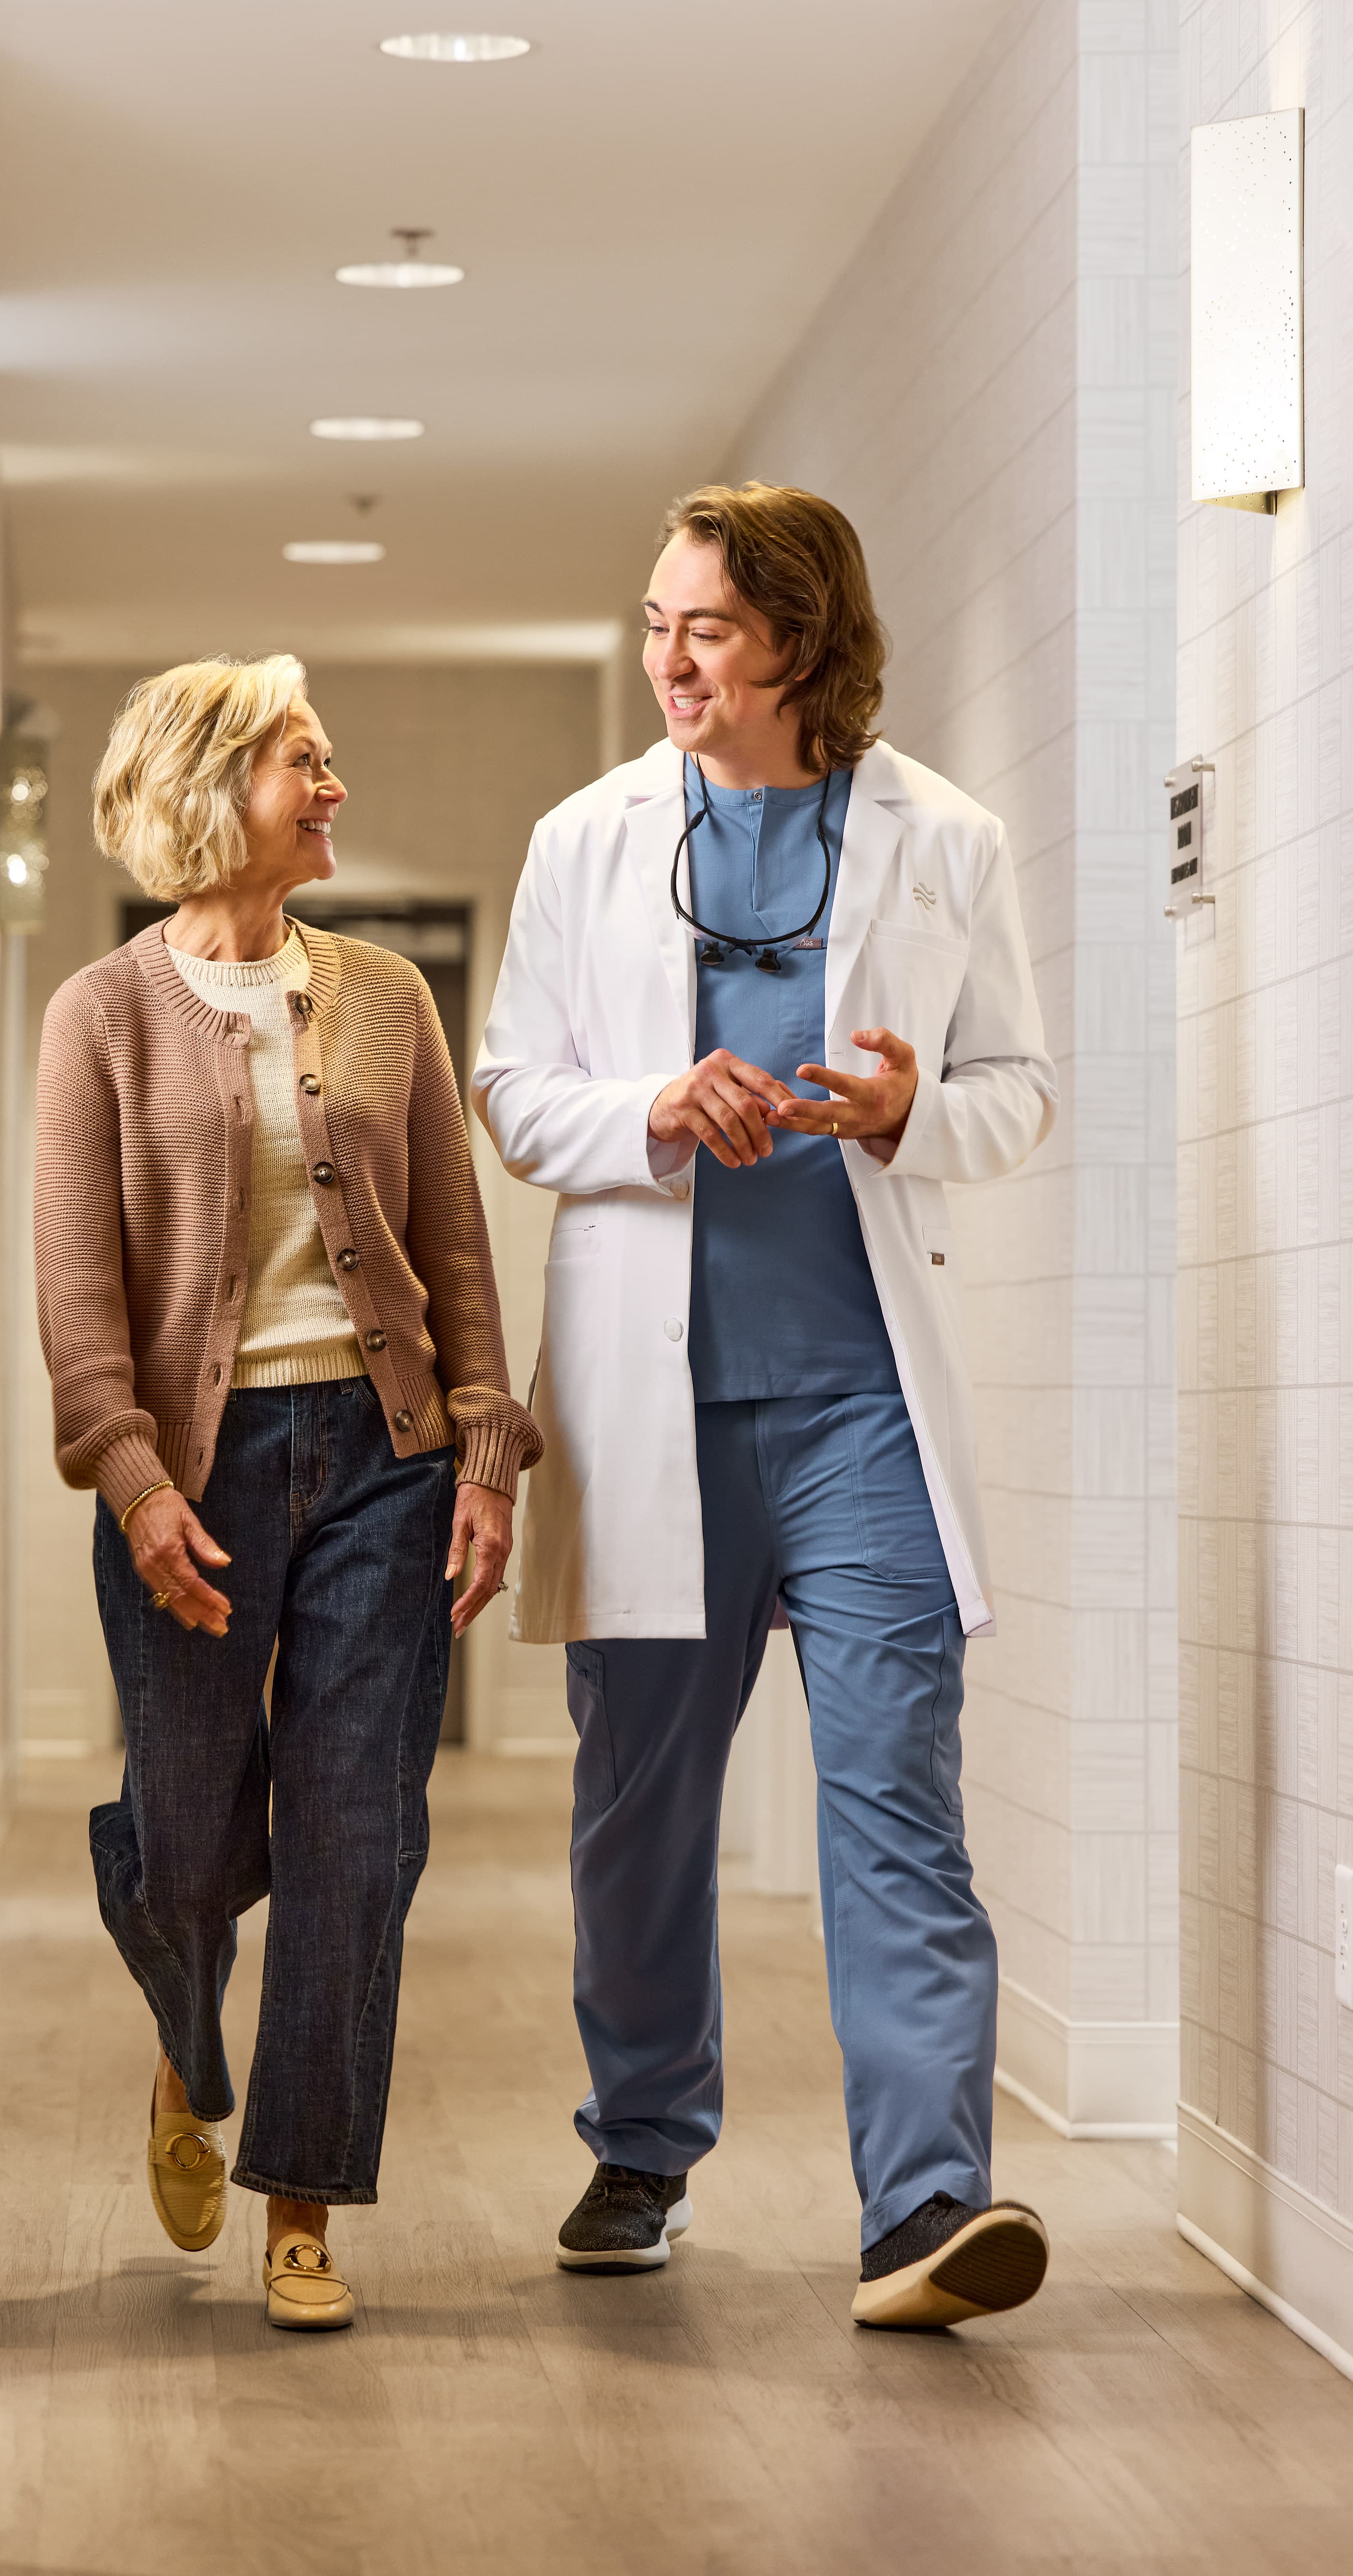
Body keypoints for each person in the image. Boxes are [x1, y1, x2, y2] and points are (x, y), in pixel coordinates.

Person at [474, 485, 1058, 2329]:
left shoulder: (944, 839)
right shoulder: (587, 839)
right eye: (657, 625)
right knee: (641, 1804)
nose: (670, 662)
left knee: (897, 1793)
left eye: (705, 630)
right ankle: (644, 2143)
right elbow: (512, 1089)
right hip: (659, 1401)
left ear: (800, 638)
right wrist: (652, 1110)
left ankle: (927, 2207)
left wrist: (906, 1112)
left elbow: (1021, 1085)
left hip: (863, 1403)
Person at [35, 654, 540, 2332]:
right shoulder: (101, 1015)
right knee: (183, 1837)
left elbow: (455, 1251)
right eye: (301, 764)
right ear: (207, 788)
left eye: (329, 763)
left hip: (383, 1459)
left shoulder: (389, 996)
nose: (333, 788)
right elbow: (78, 1284)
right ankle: (191, 2048)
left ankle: (303, 2203)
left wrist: (485, 1451)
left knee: (354, 1833)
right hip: (199, 1467)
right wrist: (129, 1477)